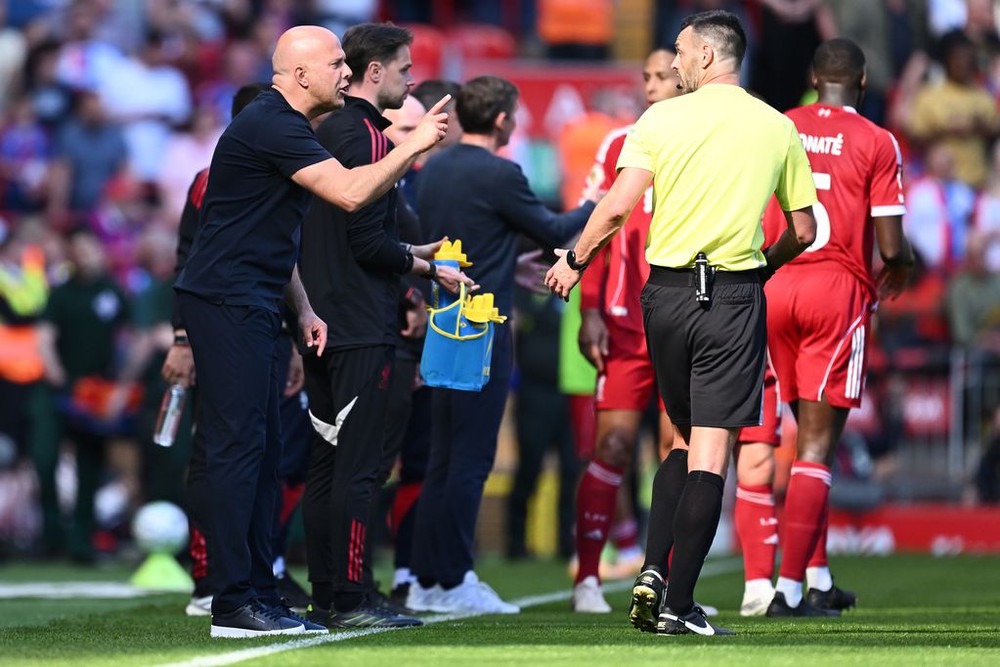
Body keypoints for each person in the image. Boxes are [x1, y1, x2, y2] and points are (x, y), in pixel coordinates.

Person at [172, 25, 451, 639]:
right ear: (300, 75)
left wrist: (301, 310)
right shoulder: (274, 123)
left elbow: (276, 237)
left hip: (254, 301)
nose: (346, 73)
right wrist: (414, 144)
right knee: (238, 451)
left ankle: (258, 593)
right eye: (334, 65)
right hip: (225, 301)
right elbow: (351, 196)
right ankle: (230, 603)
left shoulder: (288, 126)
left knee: (266, 453)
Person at [545, 10, 817, 636]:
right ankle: (678, 603)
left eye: (680, 51)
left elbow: (616, 206)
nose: (672, 62)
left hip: (663, 297)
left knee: (679, 441)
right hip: (731, 294)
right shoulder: (776, 126)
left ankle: (649, 570)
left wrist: (573, 261)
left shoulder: (658, 118)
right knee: (711, 454)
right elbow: (804, 229)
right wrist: (763, 268)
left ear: (709, 57)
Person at [298, 22, 470, 630]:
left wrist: (419, 251)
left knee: (327, 464)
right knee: (362, 467)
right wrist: (425, 266)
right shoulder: (369, 136)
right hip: (360, 321)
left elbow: (349, 235)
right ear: (376, 73)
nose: (410, 78)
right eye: (404, 69)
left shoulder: (329, 130)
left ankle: (326, 592)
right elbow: (367, 240)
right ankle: (351, 595)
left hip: (321, 315)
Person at [406, 75, 596, 615]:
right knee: (469, 459)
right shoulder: (500, 172)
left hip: (444, 317)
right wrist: (599, 203)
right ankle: (456, 579)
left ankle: (428, 578)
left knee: (443, 456)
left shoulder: (436, 167)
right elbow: (553, 228)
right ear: (502, 120)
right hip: (483, 323)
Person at [759, 38, 913, 617]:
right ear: (864, 82)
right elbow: (892, 242)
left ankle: (818, 576)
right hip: (835, 289)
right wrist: (901, 266)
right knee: (820, 447)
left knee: (806, 444)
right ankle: (790, 590)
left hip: (777, 285)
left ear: (811, 78)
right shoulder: (876, 140)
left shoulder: (779, 126)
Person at [161, 83, 321, 618]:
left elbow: (279, 254)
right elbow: (192, 255)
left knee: (261, 450)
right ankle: (211, 578)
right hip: (222, 314)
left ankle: (257, 576)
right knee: (221, 450)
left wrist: (296, 323)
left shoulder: (273, 169)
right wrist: (181, 338)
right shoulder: (216, 179)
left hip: (262, 317)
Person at [571, 46, 680, 614]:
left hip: (685, 320)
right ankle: (587, 576)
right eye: (646, 76)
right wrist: (590, 304)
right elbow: (598, 224)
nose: (652, 85)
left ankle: (659, 575)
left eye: (663, 75)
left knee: (672, 451)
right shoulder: (618, 144)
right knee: (611, 444)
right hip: (624, 323)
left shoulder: (703, 140)